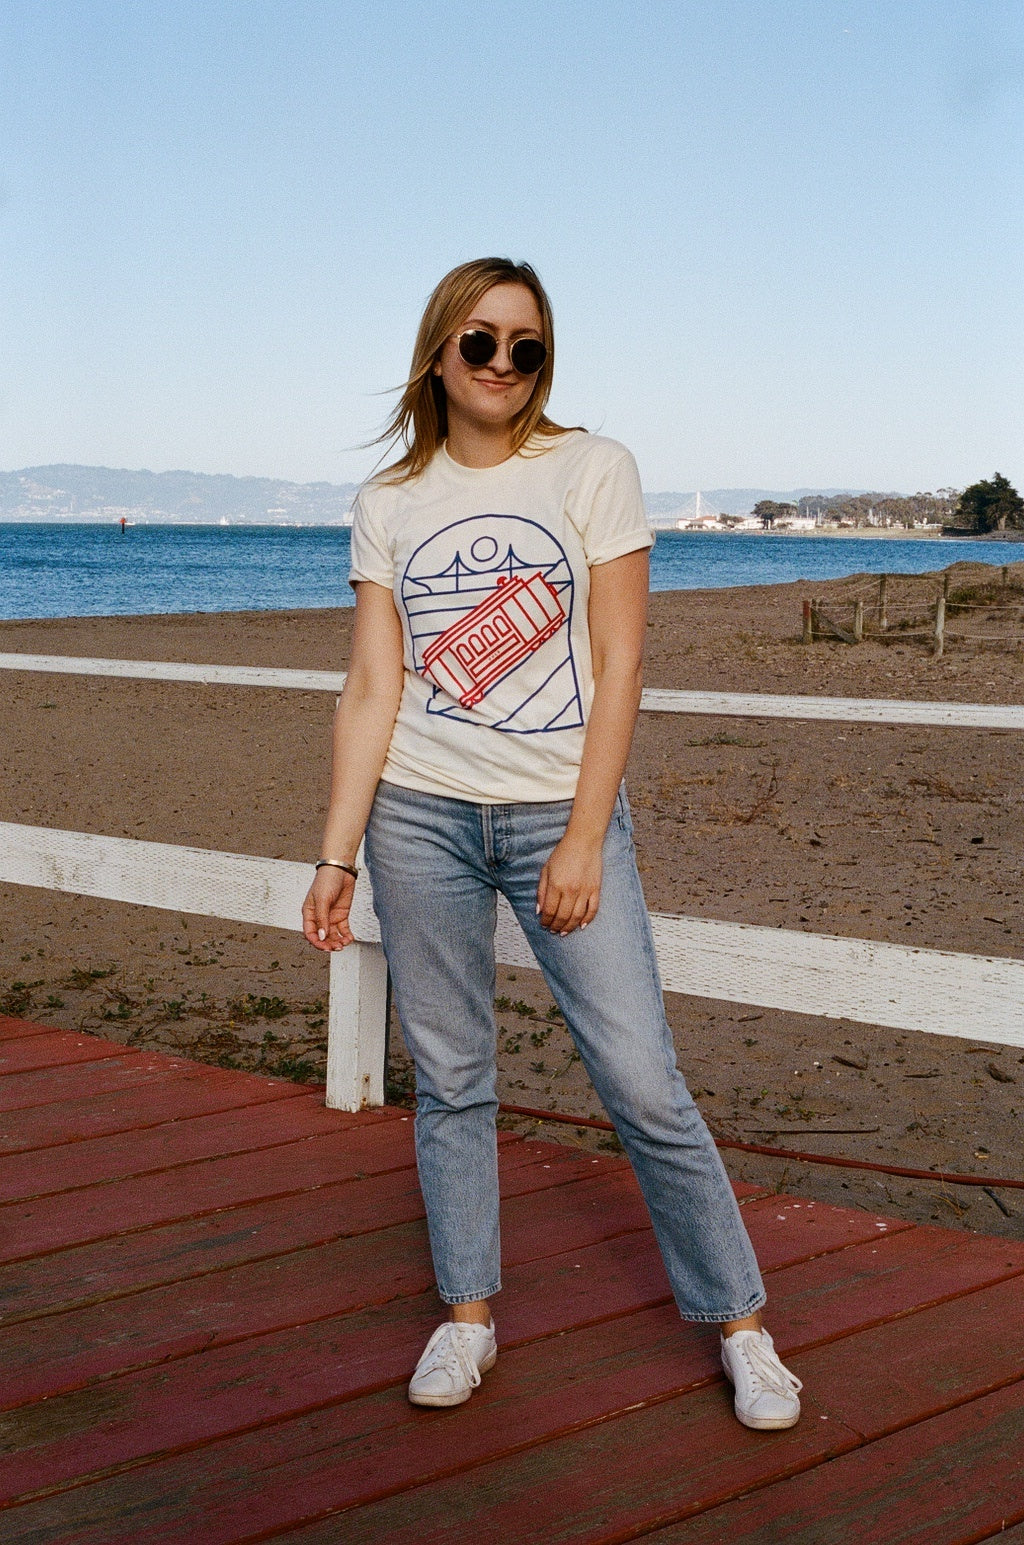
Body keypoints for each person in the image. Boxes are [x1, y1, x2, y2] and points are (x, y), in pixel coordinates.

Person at [302, 257, 802, 1430]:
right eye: (481, 342)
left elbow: (623, 661)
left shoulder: (591, 469)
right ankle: (466, 1319)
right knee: (453, 1077)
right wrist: (335, 852)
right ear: (439, 351)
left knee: (641, 1079)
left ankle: (741, 1326)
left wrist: (583, 835)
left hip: (551, 817)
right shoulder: (389, 499)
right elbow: (373, 685)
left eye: (527, 347)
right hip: (416, 814)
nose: (503, 366)